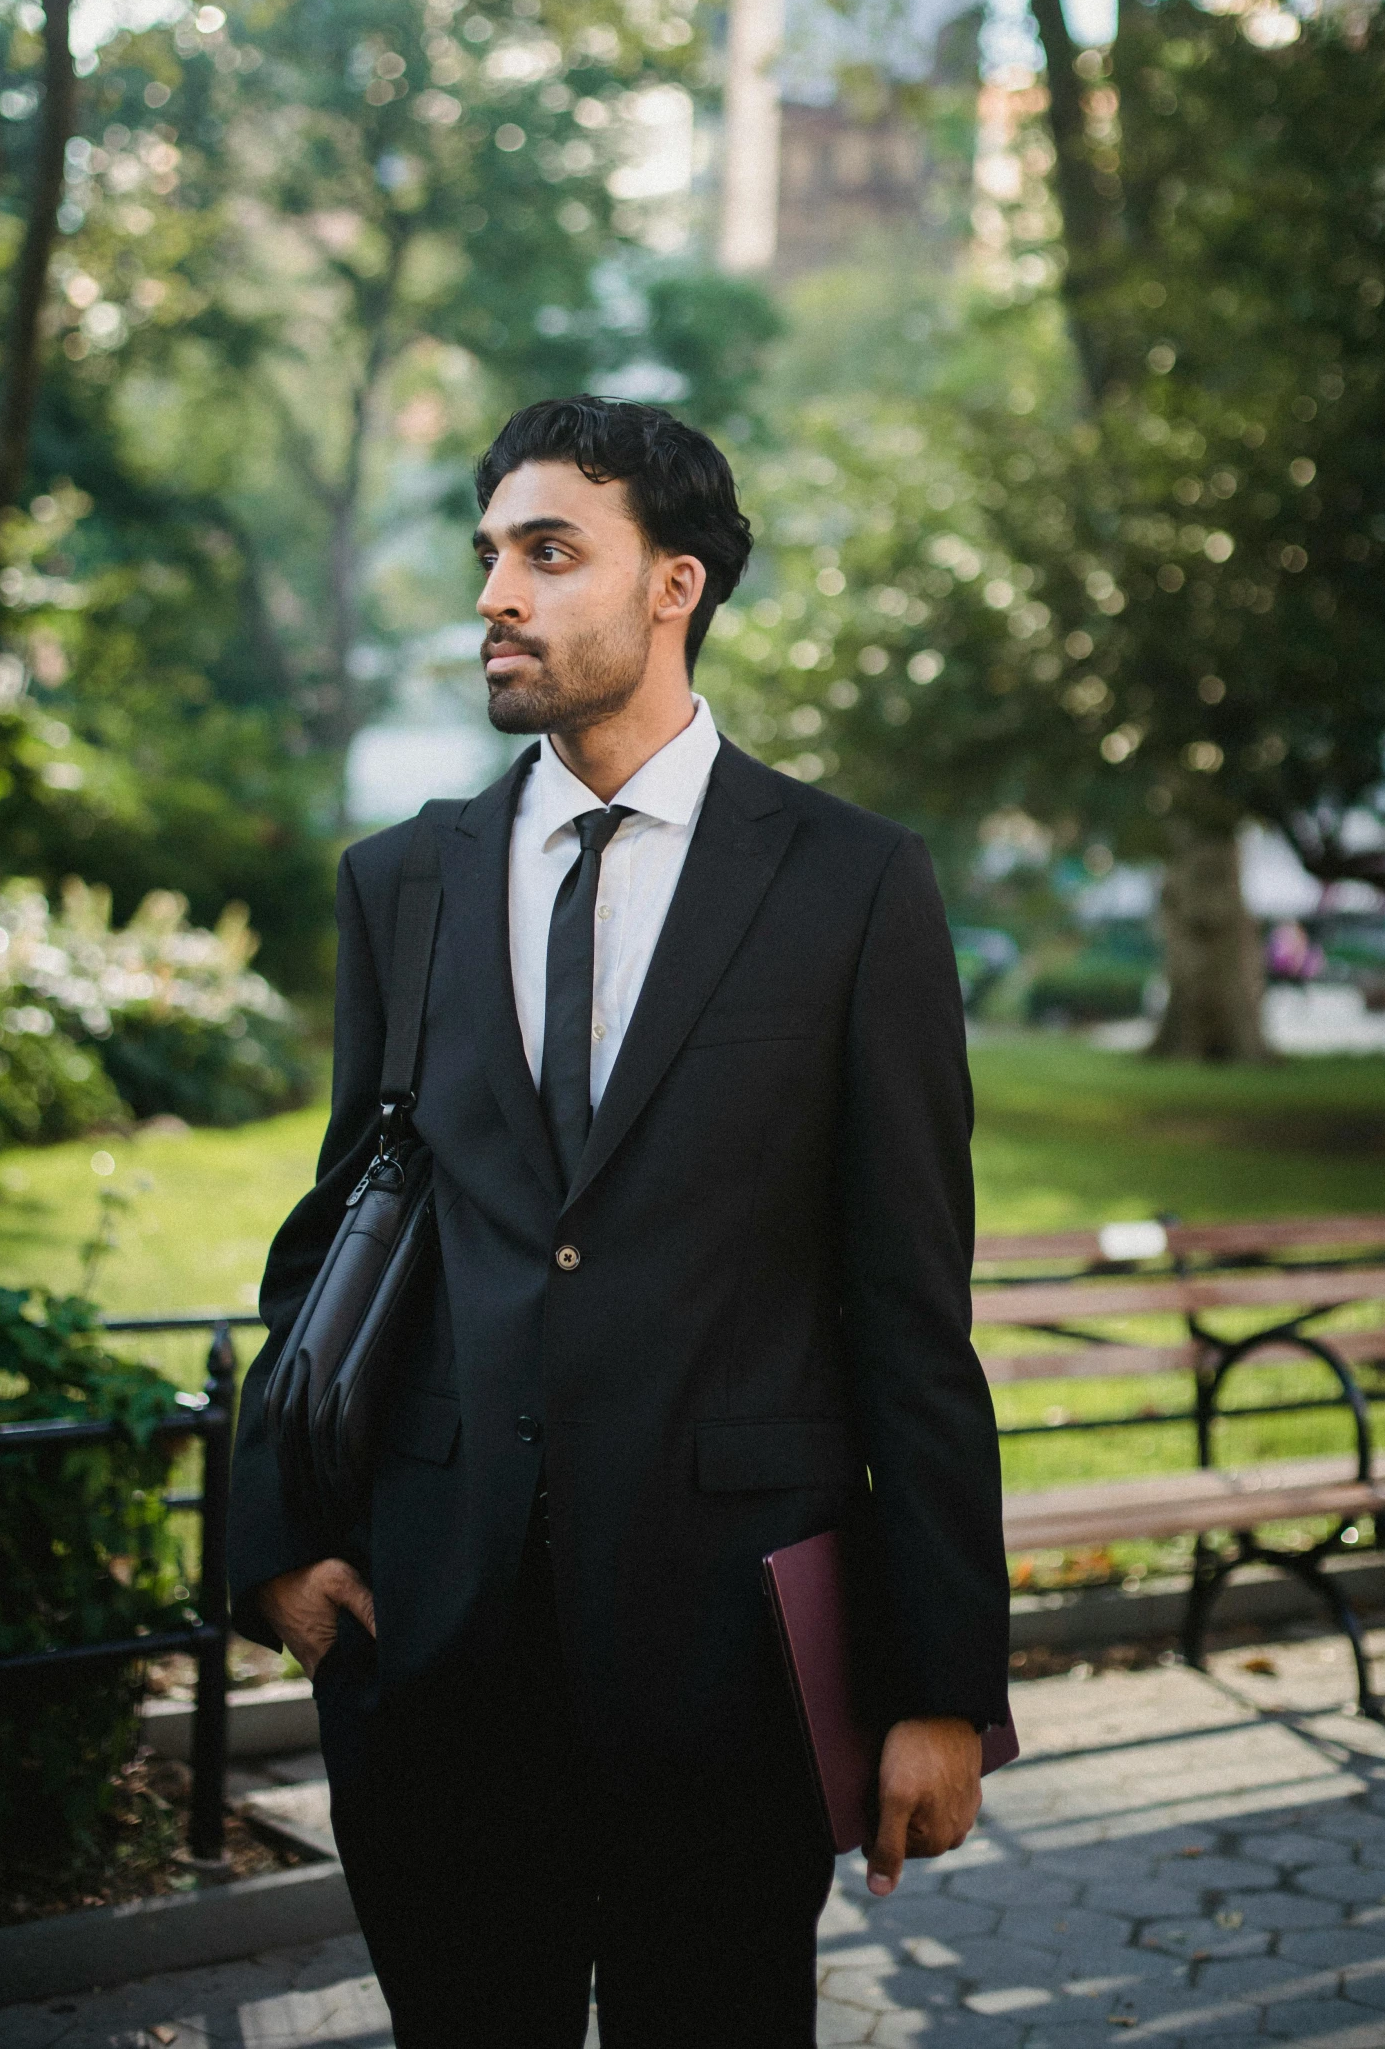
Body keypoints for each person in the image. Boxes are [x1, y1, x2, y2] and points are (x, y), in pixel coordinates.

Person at [228, 397, 1009, 2049]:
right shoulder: (404, 880)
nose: (495, 593)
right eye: (488, 555)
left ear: (677, 584)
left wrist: (940, 1686)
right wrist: (274, 1535)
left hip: (721, 1662)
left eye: (548, 551)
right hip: (435, 1655)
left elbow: (906, 1305)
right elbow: (338, 1231)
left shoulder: (852, 884)